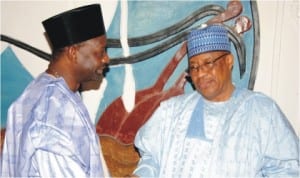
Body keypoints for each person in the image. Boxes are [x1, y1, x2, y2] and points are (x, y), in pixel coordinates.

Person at [132, 24, 299, 177]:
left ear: (229, 61)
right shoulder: (171, 111)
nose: (200, 73)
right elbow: (151, 159)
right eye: (194, 66)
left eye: (208, 63)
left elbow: (287, 170)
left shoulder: (262, 111)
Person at [1, 4, 110, 177]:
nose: (106, 58)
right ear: (74, 52)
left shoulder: (43, 92)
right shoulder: (51, 113)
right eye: (100, 51)